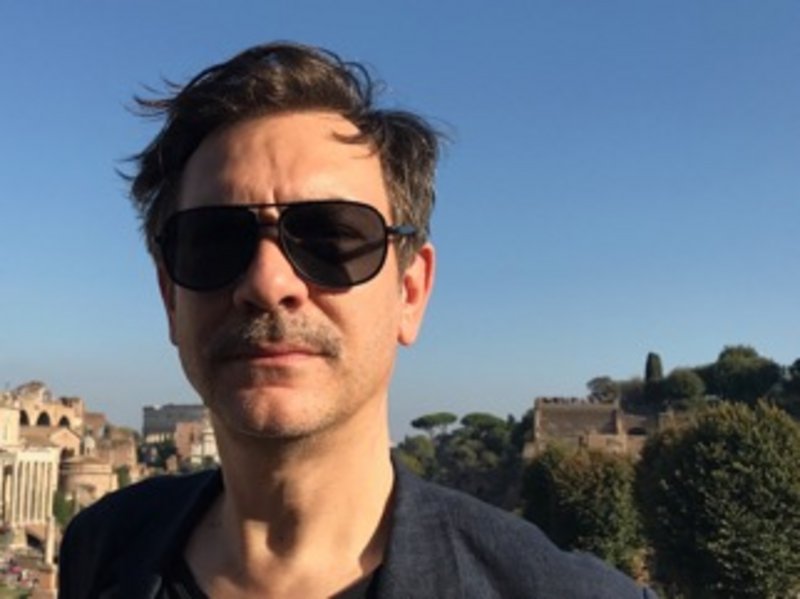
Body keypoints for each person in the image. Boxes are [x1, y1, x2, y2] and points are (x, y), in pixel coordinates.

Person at [58, 42, 655, 598]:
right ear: (170, 298)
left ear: (410, 293)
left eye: (332, 240)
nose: (268, 283)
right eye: (213, 242)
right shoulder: (102, 547)